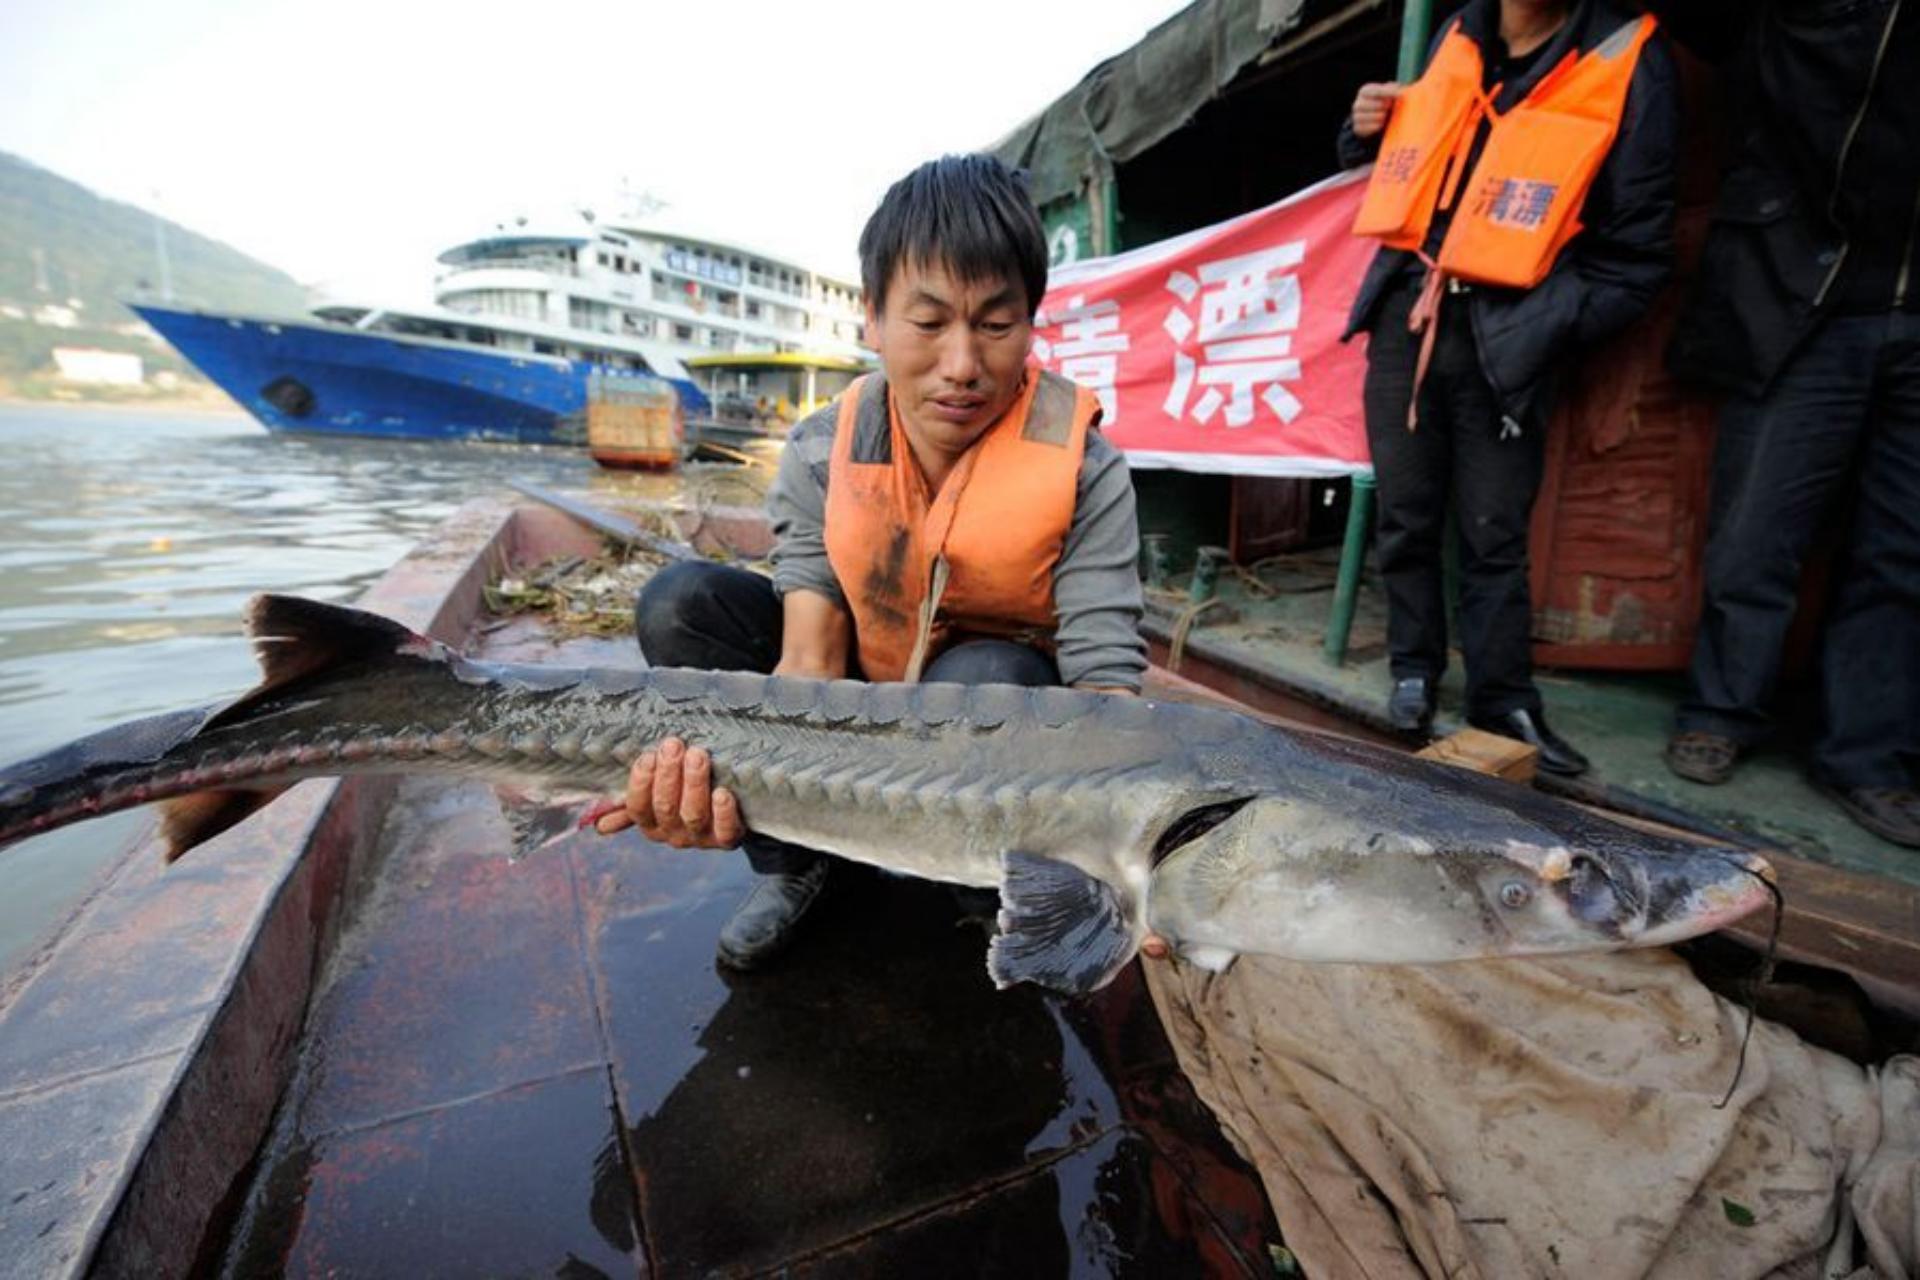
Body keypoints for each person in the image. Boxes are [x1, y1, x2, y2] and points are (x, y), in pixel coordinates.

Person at [595, 154, 1152, 967]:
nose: (962, 364)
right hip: (853, 697)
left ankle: (982, 890)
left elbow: (1107, 686)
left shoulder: (1087, 467)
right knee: (681, 604)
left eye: (995, 326)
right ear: (874, 320)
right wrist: (720, 784)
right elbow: (809, 657)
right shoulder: (825, 447)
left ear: (1031, 325)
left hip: (998, 723)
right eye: (928, 324)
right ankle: (798, 863)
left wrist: (1128, 865)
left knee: (986, 681)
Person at [1339, 0, 1680, 775]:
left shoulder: (1628, 56)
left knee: (1495, 533)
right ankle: (1412, 669)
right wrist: (1357, 126)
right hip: (1409, 318)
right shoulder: (1454, 34)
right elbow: (1392, 162)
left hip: (1512, 338)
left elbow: (1639, 260)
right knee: (1405, 514)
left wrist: (1552, 319)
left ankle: (1501, 697)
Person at [1656, 1, 1920, 848]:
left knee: (1903, 553)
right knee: (1755, 526)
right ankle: (1721, 709)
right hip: (1809, 298)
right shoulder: (1787, 15)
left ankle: (1867, 757)